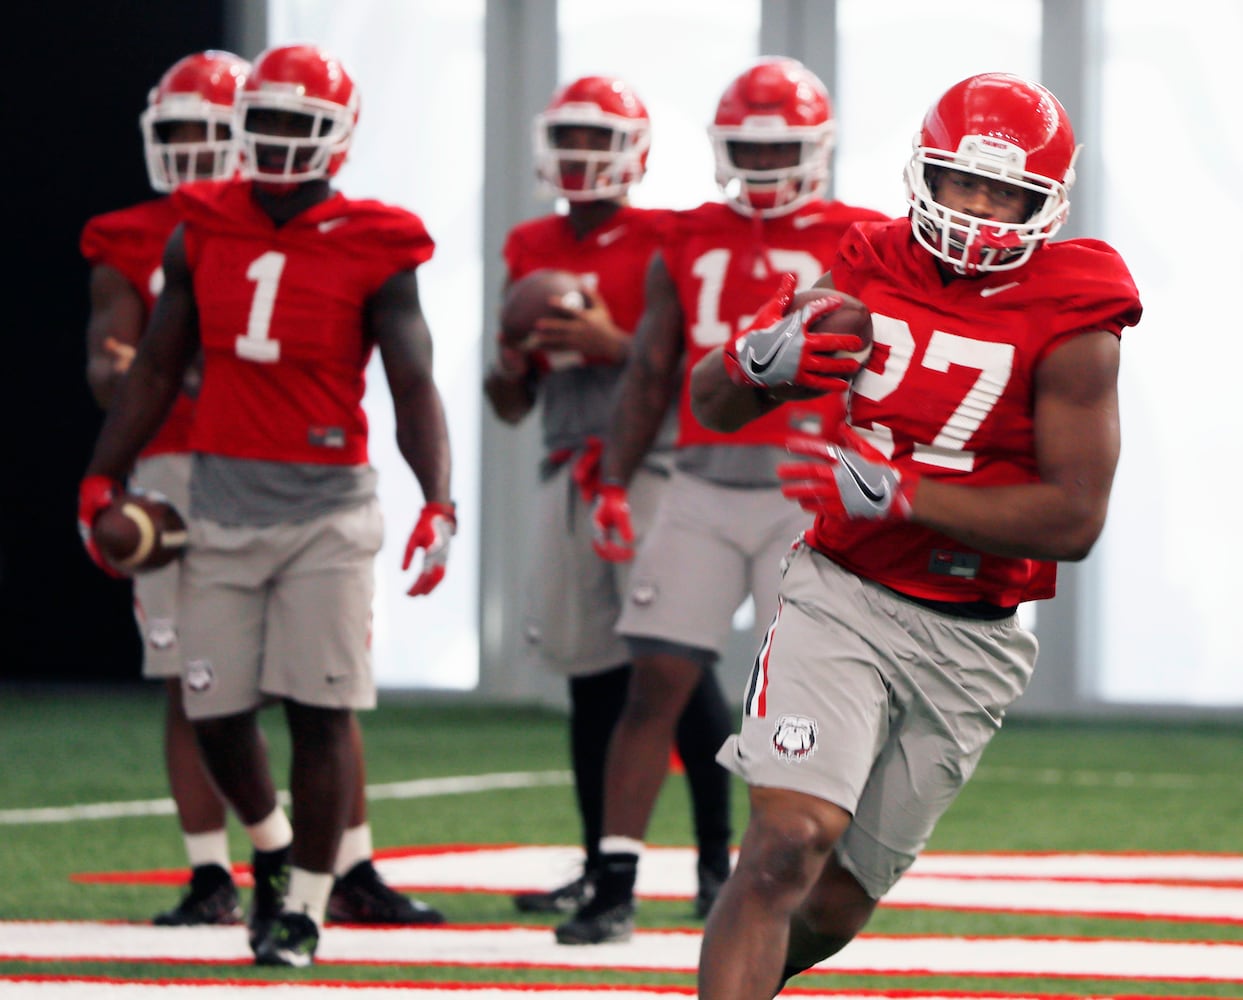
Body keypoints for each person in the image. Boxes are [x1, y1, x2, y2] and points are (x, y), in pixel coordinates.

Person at [687, 73, 1143, 999]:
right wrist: (749, 362)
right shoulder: (865, 261)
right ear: (920, 174)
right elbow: (711, 403)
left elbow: (1074, 519)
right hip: (841, 595)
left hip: (970, 634)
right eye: (958, 182)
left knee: (835, 903)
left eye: (1001, 191)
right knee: (783, 846)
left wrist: (906, 494)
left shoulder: (1078, 307)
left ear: (1043, 201)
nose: (975, 209)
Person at [77, 43, 456, 967]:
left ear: (337, 136)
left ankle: (307, 906)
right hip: (219, 499)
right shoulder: (201, 223)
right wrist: (103, 474)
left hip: (328, 507)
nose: (281, 138)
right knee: (213, 707)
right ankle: (274, 846)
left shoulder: (379, 237)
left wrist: (438, 498)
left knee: (320, 713)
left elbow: (412, 383)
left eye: (300, 122)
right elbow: (158, 366)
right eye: (268, 119)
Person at [560, 58, 889, 946]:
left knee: (804, 696)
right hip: (702, 479)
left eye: (779, 143)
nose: (762, 159)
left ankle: (773, 872)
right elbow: (650, 367)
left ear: (815, 147)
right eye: (747, 142)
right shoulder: (687, 233)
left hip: (806, 490)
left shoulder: (867, 237)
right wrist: (614, 480)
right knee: (656, 675)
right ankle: (613, 876)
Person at [485, 75, 735, 924]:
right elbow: (510, 402)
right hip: (566, 465)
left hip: (660, 464)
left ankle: (714, 860)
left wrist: (609, 343)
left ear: (633, 152)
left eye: (598, 139)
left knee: (676, 667)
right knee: (590, 680)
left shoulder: (668, 236)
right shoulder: (526, 242)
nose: (582, 156)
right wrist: (511, 362)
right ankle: (601, 866)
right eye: (571, 139)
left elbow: (686, 372)